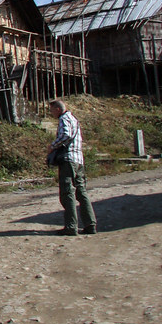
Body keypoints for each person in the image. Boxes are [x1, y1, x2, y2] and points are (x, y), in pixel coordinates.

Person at [48, 99, 97, 236]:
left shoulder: (64, 118)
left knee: (67, 192)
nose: (51, 113)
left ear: (58, 109)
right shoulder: (74, 119)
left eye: (51, 110)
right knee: (81, 192)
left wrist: (52, 146)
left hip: (68, 160)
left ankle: (71, 226)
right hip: (79, 160)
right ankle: (90, 224)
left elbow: (66, 135)